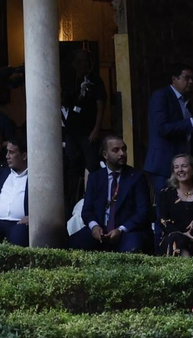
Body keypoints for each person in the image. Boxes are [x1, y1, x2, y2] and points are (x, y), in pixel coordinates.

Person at [70, 134, 150, 253]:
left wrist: (121, 229)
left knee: (132, 248)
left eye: (123, 149)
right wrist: (94, 226)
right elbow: (86, 211)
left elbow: (143, 212)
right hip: (100, 231)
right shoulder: (95, 178)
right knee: (73, 243)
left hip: (127, 231)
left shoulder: (137, 177)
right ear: (105, 155)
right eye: (116, 150)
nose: (122, 153)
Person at [142, 65, 193, 196]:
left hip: (182, 164)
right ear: (174, 78)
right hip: (164, 164)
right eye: (187, 77)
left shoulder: (185, 101)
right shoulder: (161, 96)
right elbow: (162, 129)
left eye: (192, 78)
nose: (191, 81)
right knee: (165, 207)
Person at [64, 49, 106, 190]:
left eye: (84, 61)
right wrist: (80, 94)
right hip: (72, 130)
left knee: (91, 163)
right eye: (78, 61)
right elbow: (67, 102)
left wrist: (97, 128)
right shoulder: (71, 80)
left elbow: (100, 105)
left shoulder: (95, 80)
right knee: (72, 162)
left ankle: (91, 194)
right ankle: (73, 197)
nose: (81, 64)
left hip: (88, 130)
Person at [156, 153, 193, 256]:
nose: (180, 170)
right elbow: (163, 221)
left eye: (184, 166)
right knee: (177, 240)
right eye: (176, 167)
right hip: (173, 238)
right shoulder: (166, 193)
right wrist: (182, 234)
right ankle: (187, 268)